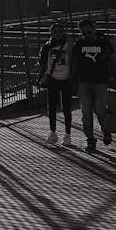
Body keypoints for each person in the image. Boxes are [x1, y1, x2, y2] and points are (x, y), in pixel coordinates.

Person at [71, 16, 116, 154]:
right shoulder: (79, 44)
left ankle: (106, 130)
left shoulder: (104, 43)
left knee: (100, 110)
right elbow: (75, 63)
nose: (87, 36)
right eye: (83, 33)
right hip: (84, 83)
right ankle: (90, 139)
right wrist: (73, 81)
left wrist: (115, 78)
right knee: (86, 113)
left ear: (94, 29)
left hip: (100, 82)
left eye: (89, 32)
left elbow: (112, 61)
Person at [37, 20, 74, 148]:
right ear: (51, 33)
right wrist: (39, 78)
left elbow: (74, 61)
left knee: (66, 108)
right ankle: (53, 133)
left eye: (60, 31)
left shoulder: (69, 45)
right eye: (55, 31)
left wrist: (74, 78)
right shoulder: (47, 47)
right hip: (52, 79)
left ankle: (67, 135)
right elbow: (43, 64)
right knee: (51, 107)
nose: (58, 33)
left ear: (63, 32)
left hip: (65, 79)